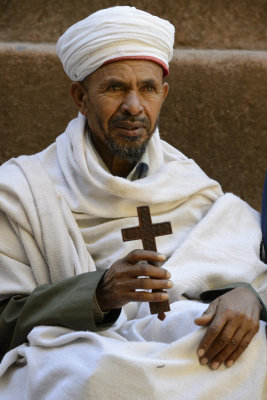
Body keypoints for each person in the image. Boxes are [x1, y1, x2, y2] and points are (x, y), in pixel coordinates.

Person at [0, 6, 266, 399]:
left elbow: (240, 266)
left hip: (173, 341)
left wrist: (249, 296)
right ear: (81, 97)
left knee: (254, 346)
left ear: (164, 94)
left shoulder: (190, 185)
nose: (134, 106)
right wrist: (98, 293)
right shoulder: (22, 192)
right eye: (114, 88)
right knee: (84, 373)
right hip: (83, 348)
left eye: (147, 88)